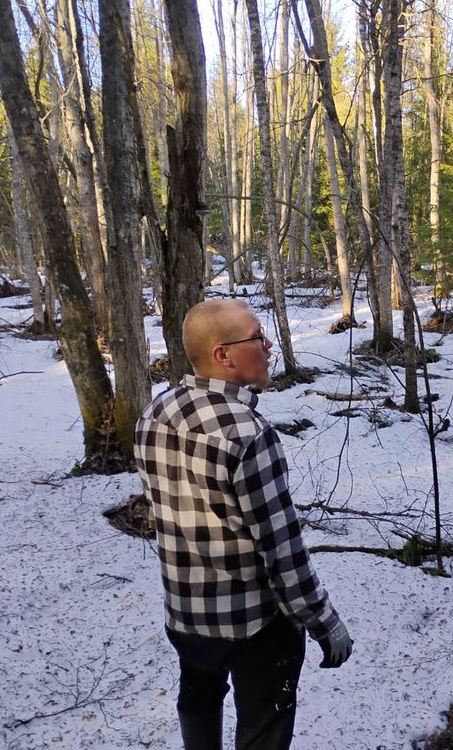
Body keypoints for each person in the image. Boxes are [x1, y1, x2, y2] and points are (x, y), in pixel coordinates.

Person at [134, 299, 353, 750]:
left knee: (198, 698)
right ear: (223, 355)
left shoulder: (154, 414)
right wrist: (324, 621)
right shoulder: (248, 435)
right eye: (257, 336)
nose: (269, 344)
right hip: (254, 624)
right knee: (262, 731)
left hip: (185, 612)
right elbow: (281, 549)